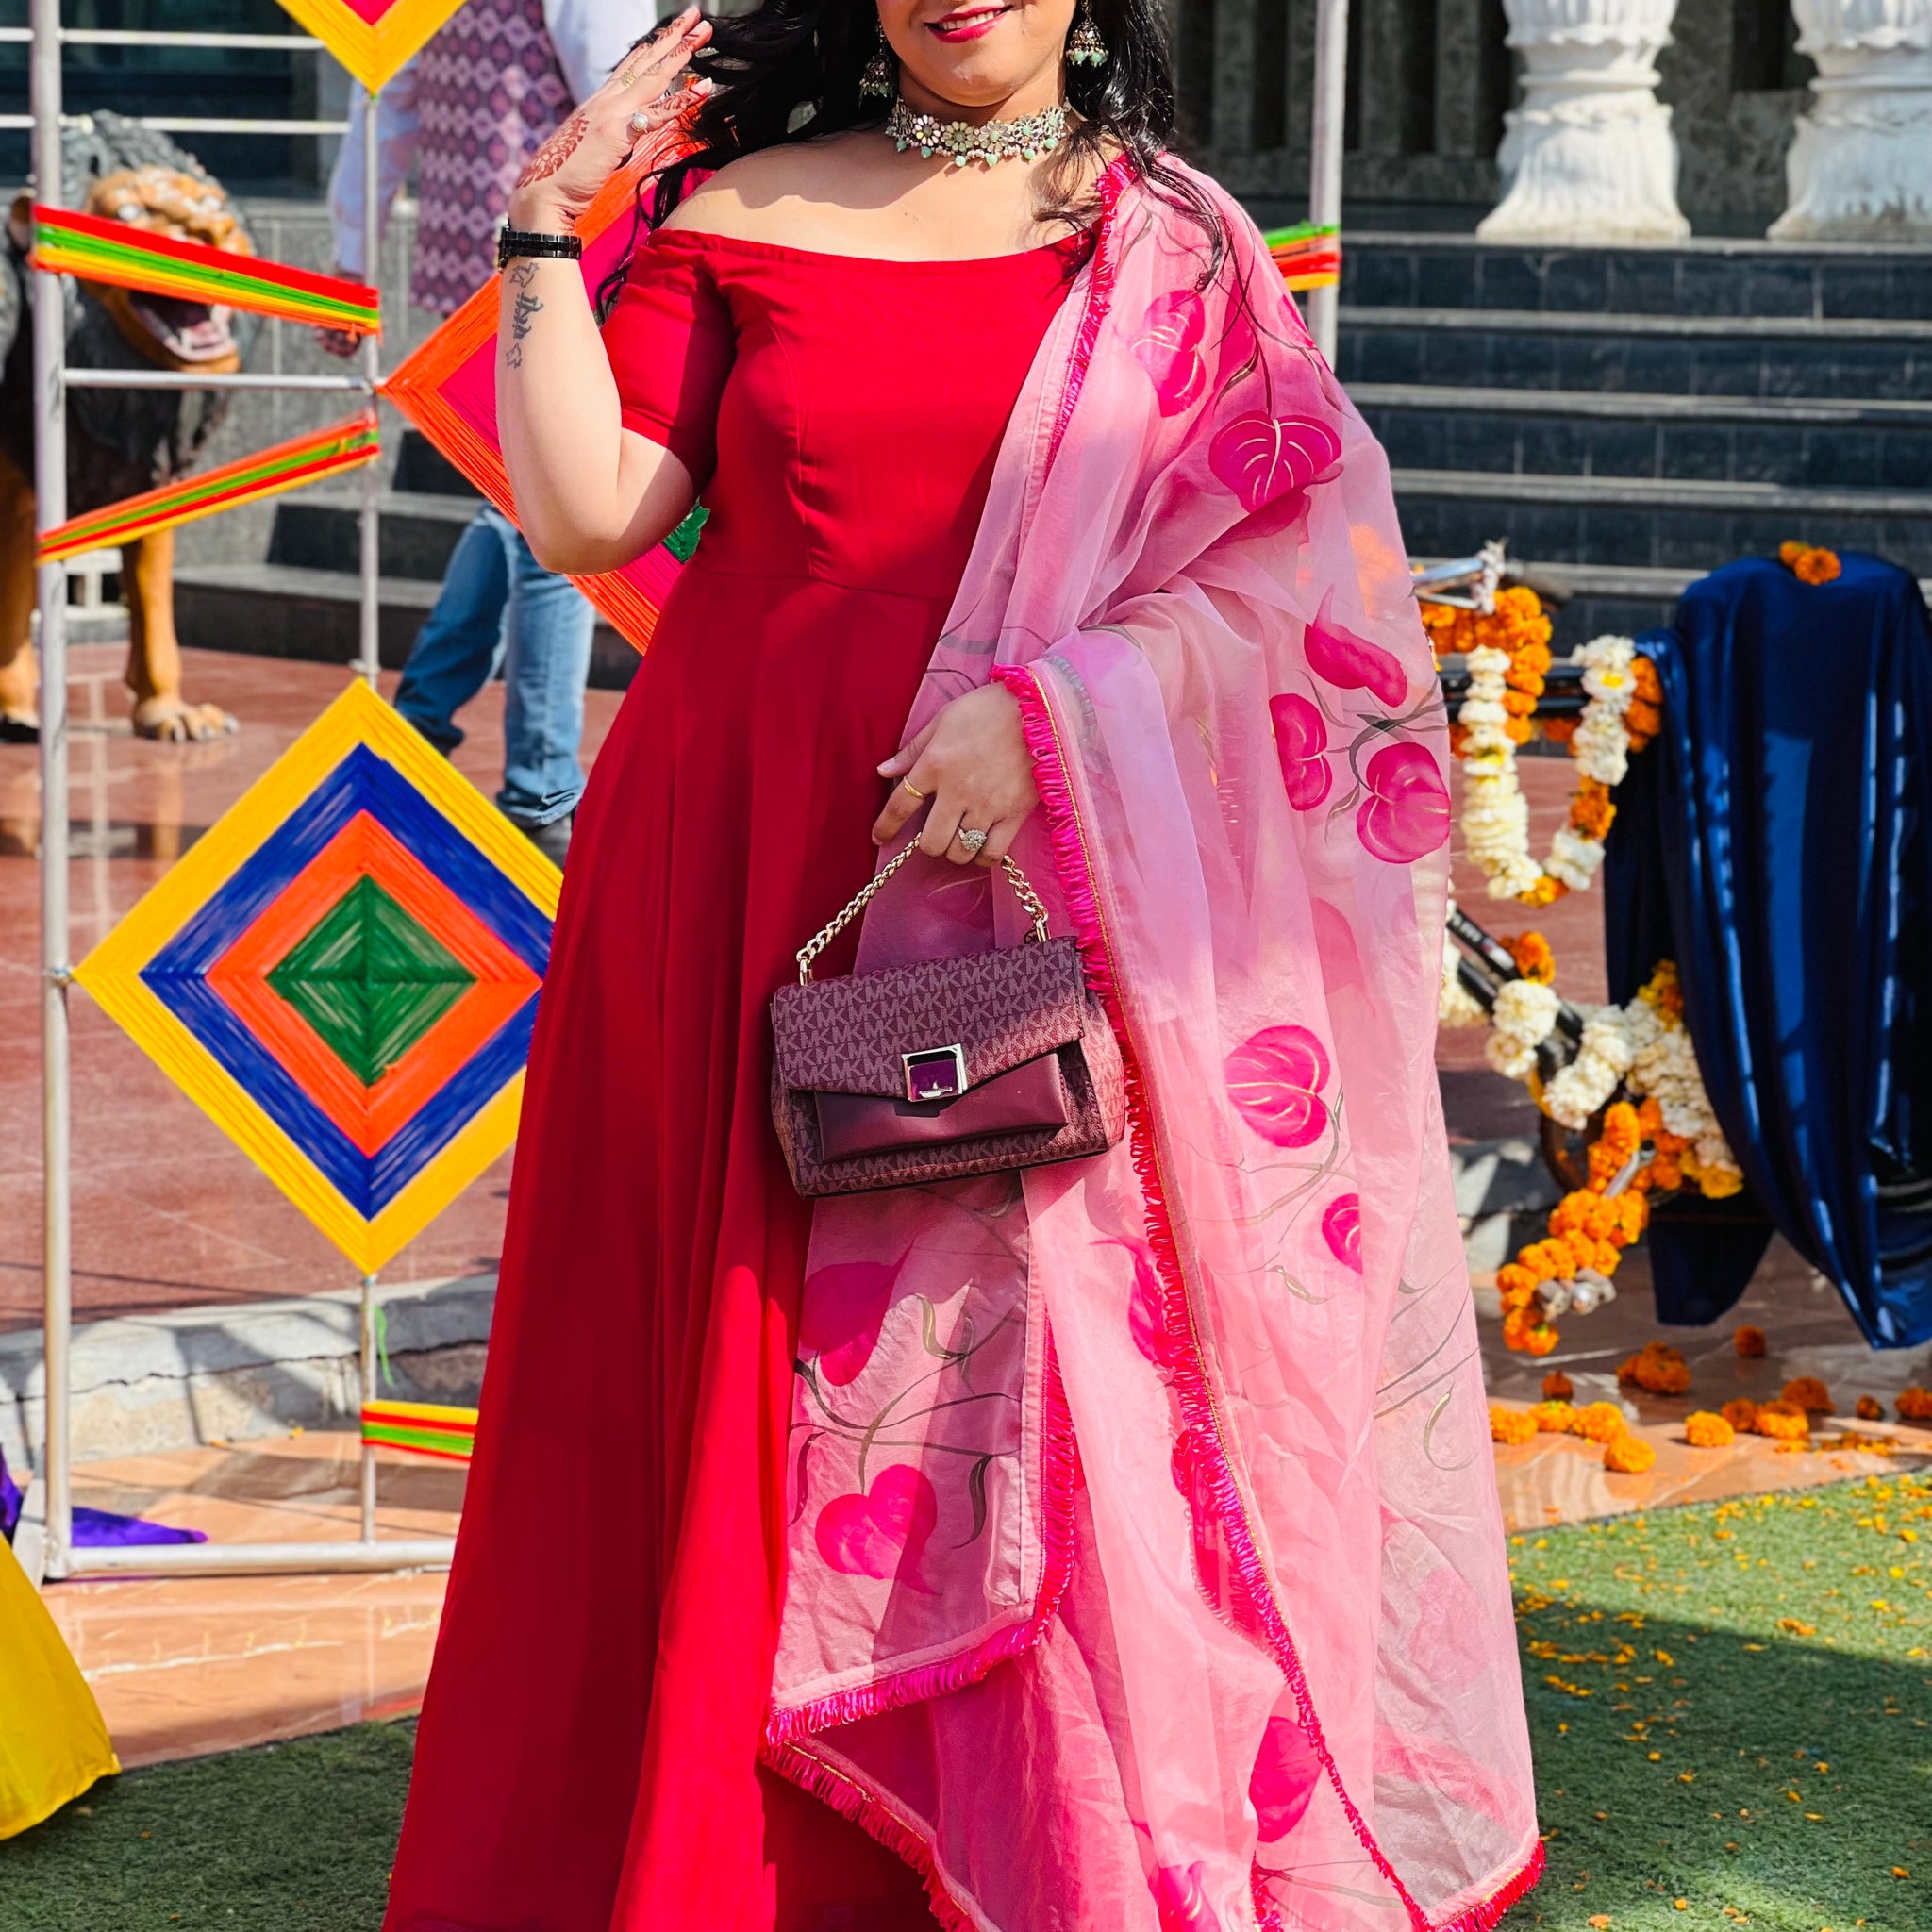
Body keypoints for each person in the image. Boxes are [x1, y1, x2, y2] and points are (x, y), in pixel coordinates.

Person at [385, 6, 1540, 1930]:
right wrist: (539, 231)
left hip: (1027, 870)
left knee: (1040, 1368)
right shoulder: (739, 207)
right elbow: (589, 514)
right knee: (724, 1361)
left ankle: (1007, 1851)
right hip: (733, 859)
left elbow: (1290, 564)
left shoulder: (1162, 247)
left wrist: (1057, 710)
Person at [324, 0, 655, 860]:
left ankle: (422, 716)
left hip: (470, 258)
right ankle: (540, 784)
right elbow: (621, 92)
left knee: (512, 497)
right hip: (566, 256)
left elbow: (386, 107)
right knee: (556, 500)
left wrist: (352, 255)